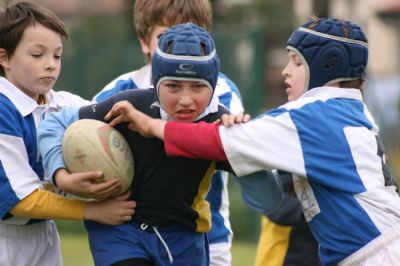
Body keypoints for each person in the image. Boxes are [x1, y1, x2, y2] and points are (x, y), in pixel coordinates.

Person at [104, 18, 400, 266]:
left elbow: (218, 140)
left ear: (326, 65)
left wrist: (150, 125)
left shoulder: (312, 115)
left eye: (296, 61)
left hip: (375, 253)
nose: (285, 70)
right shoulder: (350, 110)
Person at [39, 23, 282, 266]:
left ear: (213, 85)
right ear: (156, 82)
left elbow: (269, 201)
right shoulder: (130, 106)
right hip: (121, 231)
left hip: (183, 240)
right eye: (173, 86)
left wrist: (241, 148)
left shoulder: (218, 126)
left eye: (198, 86)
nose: (185, 99)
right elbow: (54, 124)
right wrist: (61, 176)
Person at [92, 1, 245, 265]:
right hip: (131, 229)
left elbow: (226, 146)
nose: (178, 44)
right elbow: (84, 142)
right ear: (144, 42)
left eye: (190, 35)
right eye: (165, 36)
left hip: (205, 234)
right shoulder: (118, 92)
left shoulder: (223, 94)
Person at [0, 2, 136, 266]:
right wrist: (93, 211)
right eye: (37, 55)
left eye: (57, 55)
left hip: (44, 234)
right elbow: (21, 200)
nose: (50, 65)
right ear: (3, 58)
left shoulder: (63, 104)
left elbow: (116, 120)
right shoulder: (3, 109)